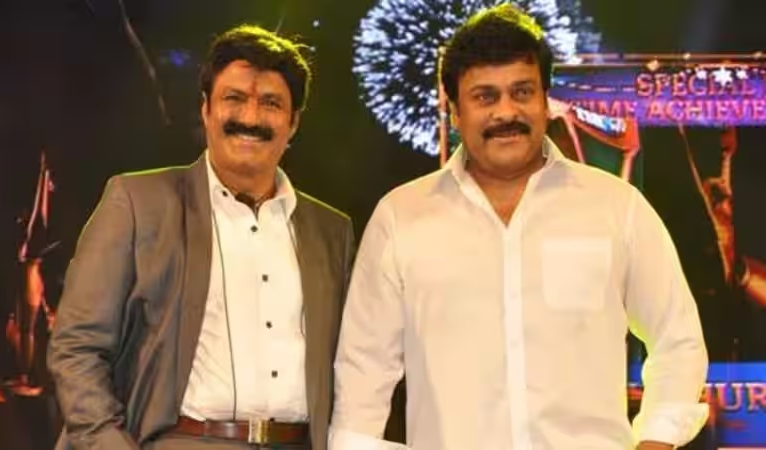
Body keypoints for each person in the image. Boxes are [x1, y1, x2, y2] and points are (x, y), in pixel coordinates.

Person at [329, 5, 708, 450]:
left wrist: (657, 440)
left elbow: (678, 340)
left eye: (522, 92)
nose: (506, 112)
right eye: (485, 97)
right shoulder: (401, 217)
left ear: (546, 101)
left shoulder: (616, 207)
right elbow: (363, 372)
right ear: (454, 111)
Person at [48, 24, 355, 450]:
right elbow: (77, 346)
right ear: (206, 108)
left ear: (294, 122)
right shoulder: (138, 203)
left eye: (271, 103)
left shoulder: (331, 232)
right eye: (234, 98)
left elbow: (357, 365)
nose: (251, 118)